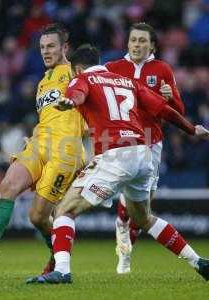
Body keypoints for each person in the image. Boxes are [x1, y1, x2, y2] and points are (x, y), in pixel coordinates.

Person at [26, 44, 209, 284]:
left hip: (116, 156)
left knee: (64, 211)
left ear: (77, 68)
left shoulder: (82, 78)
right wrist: (191, 129)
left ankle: (61, 271)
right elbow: (163, 109)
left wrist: (70, 101)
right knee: (143, 218)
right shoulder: (125, 81)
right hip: (143, 155)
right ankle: (198, 262)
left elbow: (77, 92)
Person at [0, 23, 86, 274]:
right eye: (42, 47)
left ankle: (58, 254)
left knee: (37, 217)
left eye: (51, 46)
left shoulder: (78, 74)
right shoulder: (43, 81)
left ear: (65, 47)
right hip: (39, 142)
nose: (46, 51)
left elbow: (95, 108)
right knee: (7, 185)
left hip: (66, 149)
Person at [105, 22, 185, 274]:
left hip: (152, 141)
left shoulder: (162, 69)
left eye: (142, 41)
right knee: (132, 204)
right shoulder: (114, 68)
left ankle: (122, 223)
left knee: (143, 207)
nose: (137, 45)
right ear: (127, 43)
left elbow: (179, 111)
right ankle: (124, 255)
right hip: (123, 141)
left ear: (152, 45)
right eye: (133, 40)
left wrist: (170, 96)